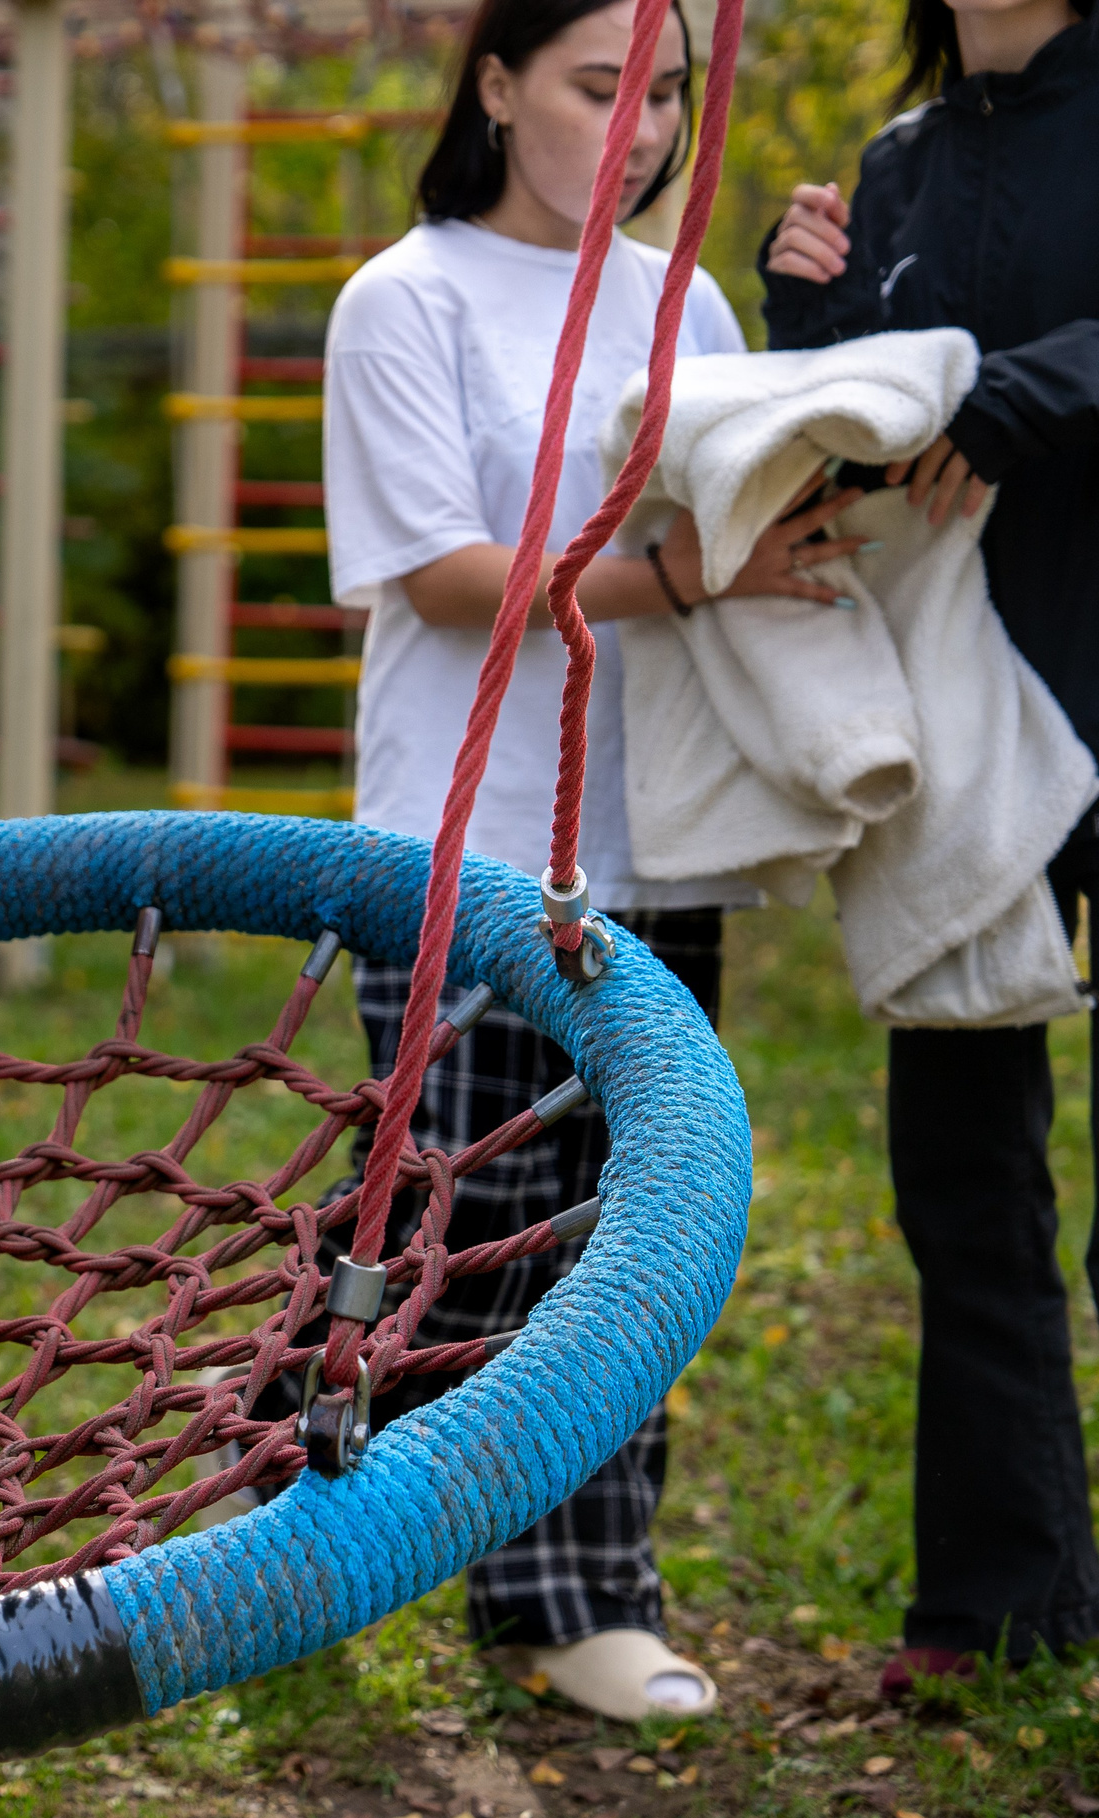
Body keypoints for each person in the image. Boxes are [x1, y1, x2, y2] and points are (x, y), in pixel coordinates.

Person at [320, 0, 869, 1721]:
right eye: (597, 87)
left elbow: (749, 507)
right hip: (459, 837)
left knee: (623, 1233)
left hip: (651, 836)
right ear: (495, 85)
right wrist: (694, 578)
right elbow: (451, 579)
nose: (638, 133)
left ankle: (577, 1595)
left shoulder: (684, 299)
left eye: (667, 101)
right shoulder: (401, 299)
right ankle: (312, 1502)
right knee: (459, 1227)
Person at [761, 0, 1099, 1696]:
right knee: (964, 1180)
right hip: (968, 726)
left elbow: (1006, 399)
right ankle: (1001, 1598)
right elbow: (858, 432)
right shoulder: (893, 164)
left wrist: (1034, 390)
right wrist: (808, 304)